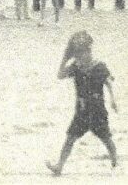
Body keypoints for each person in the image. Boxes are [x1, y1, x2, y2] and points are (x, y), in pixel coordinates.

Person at [46, 31, 119, 176]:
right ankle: (59, 166)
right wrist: (64, 59)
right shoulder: (76, 67)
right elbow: (60, 75)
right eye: (77, 54)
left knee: (106, 138)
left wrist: (113, 100)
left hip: (98, 110)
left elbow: (109, 82)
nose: (81, 57)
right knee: (70, 138)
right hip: (81, 111)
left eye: (83, 53)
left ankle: (114, 162)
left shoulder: (99, 66)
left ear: (89, 51)